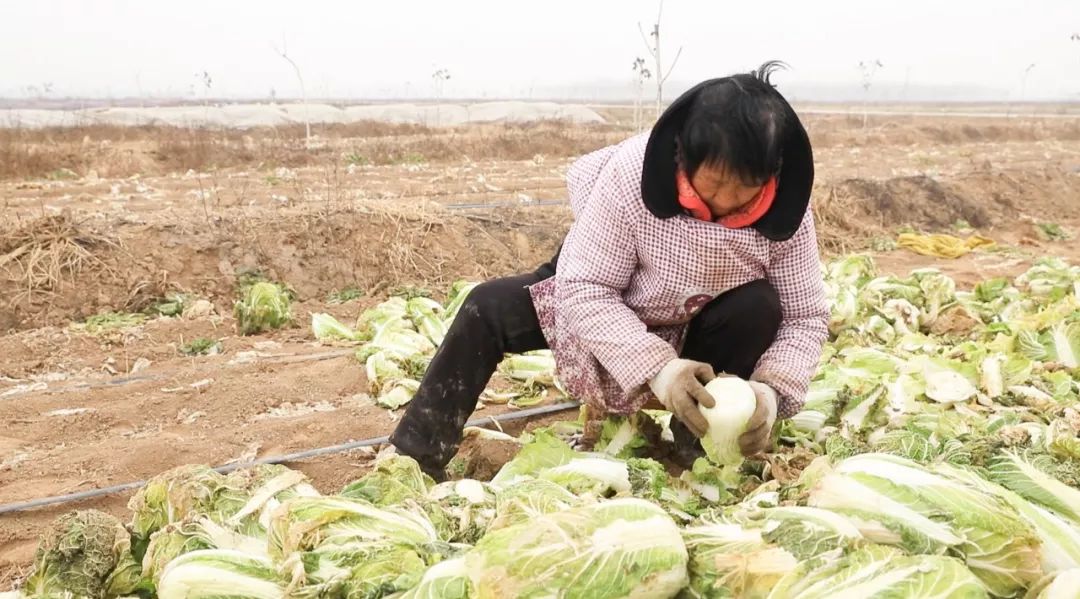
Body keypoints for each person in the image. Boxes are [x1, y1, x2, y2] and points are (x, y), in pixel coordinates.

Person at [389, 61, 828, 480]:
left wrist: (771, 392)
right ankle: (417, 453)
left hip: (699, 312)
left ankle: (698, 448)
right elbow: (586, 288)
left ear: (772, 175)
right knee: (486, 308)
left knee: (758, 306)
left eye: (744, 189)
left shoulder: (785, 210)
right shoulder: (633, 175)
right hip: (606, 284)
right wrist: (661, 370)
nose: (724, 203)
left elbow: (804, 317)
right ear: (683, 157)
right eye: (712, 184)